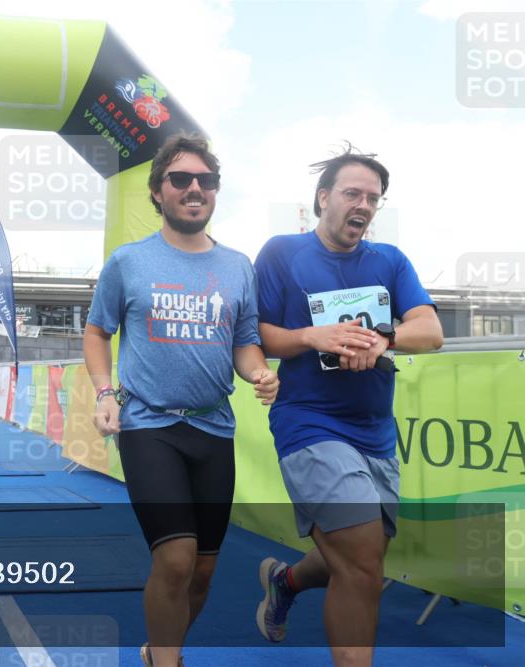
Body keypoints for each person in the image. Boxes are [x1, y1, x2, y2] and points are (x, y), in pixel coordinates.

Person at [84, 132, 279, 667]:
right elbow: (97, 331)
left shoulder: (238, 266)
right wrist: (105, 393)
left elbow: (245, 342)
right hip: (148, 426)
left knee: (202, 571)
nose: (195, 188)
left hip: (213, 428)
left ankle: (159, 652)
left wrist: (259, 372)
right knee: (175, 559)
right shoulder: (129, 262)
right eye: (181, 179)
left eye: (206, 180)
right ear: (157, 191)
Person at [253, 145, 442, 666]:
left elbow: (430, 330)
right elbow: (257, 333)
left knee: (365, 556)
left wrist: (384, 338)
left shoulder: (390, 260)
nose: (363, 205)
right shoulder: (282, 253)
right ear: (323, 198)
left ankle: (286, 582)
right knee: (362, 565)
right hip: (309, 423)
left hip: (375, 432)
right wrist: (310, 337)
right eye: (352, 193)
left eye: (373, 199)